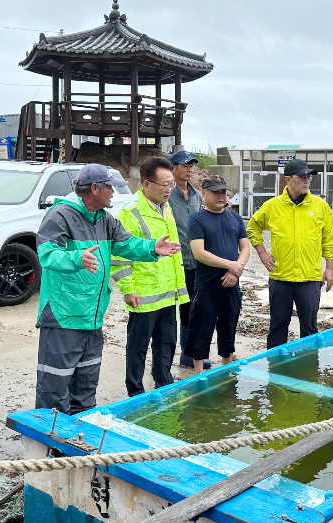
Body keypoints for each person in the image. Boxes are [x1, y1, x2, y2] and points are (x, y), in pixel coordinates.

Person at [35, 163, 180, 414]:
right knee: (55, 385)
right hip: (63, 315)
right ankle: (50, 445)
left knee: (86, 383)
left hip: (93, 317)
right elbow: (47, 255)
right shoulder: (60, 215)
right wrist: (76, 258)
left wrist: (151, 249)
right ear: (94, 188)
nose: (114, 193)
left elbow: (125, 244)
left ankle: (80, 435)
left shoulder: (104, 218)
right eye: (110, 188)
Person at [111, 156, 189, 397]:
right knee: (138, 348)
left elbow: (173, 252)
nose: (169, 189)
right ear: (146, 185)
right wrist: (127, 288)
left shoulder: (166, 209)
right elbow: (119, 255)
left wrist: (178, 286)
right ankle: (135, 392)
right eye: (164, 184)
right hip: (143, 294)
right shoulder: (130, 214)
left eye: (171, 184)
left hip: (167, 292)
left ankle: (163, 385)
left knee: (166, 344)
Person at [247, 158, 333, 349]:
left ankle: (309, 369)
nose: (307, 180)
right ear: (288, 179)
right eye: (302, 176)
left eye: (309, 177)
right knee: (278, 326)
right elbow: (253, 228)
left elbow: (329, 239)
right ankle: (276, 371)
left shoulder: (320, 207)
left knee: (310, 329)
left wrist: (329, 268)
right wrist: (262, 252)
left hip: (310, 279)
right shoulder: (272, 206)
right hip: (281, 278)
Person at [184, 175, 250, 373]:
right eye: (215, 192)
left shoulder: (234, 217)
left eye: (223, 192)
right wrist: (230, 265)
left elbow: (245, 247)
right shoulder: (197, 218)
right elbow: (199, 252)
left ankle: (226, 369)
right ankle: (198, 374)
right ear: (204, 193)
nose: (220, 196)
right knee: (201, 330)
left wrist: (235, 270)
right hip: (206, 285)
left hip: (232, 285)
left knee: (228, 329)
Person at [166, 149, 209, 369]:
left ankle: (189, 352)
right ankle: (181, 353)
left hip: (196, 260)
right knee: (178, 307)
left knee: (194, 306)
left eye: (191, 165)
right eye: (185, 166)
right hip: (174, 259)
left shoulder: (196, 195)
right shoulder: (167, 196)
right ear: (173, 169)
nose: (189, 169)